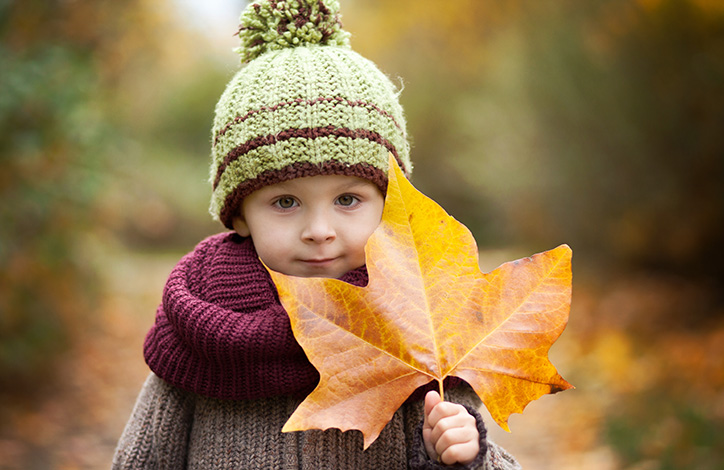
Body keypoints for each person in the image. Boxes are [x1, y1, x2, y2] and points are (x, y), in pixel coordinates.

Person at [113, 1, 521, 468]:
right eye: (285, 203)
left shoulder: (422, 324)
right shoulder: (198, 336)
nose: (320, 231)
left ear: (391, 207)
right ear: (239, 214)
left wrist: (465, 457)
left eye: (348, 200)